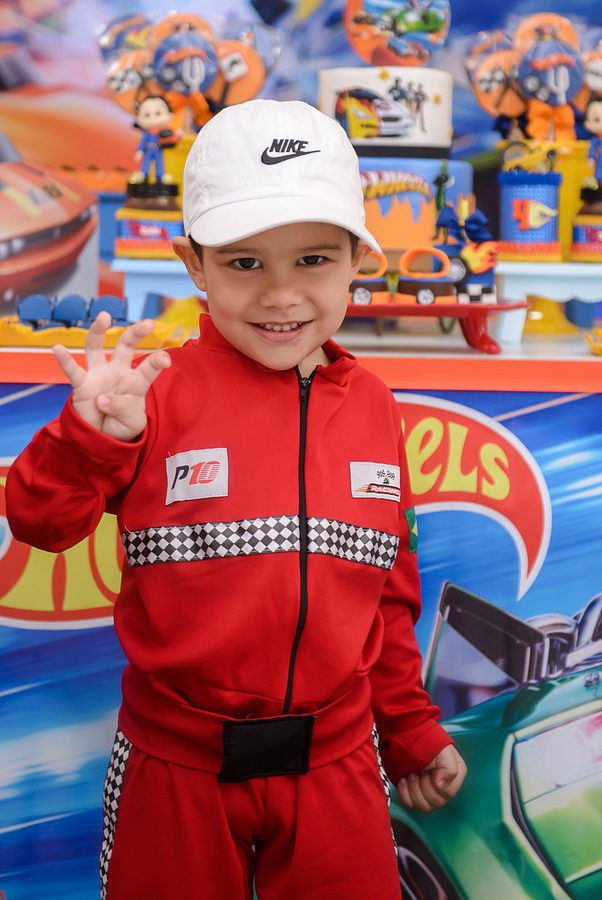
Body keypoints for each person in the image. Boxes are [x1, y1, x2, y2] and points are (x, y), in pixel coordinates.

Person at [6, 99, 466, 900]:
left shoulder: (373, 407)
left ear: (359, 258)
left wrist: (410, 729)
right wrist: (87, 438)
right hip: (175, 768)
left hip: (336, 765)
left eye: (312, 260)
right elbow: (40, 524)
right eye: (244, 263)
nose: (280, 294)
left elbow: (386, 599)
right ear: (194, 264)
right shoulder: (149, 393)